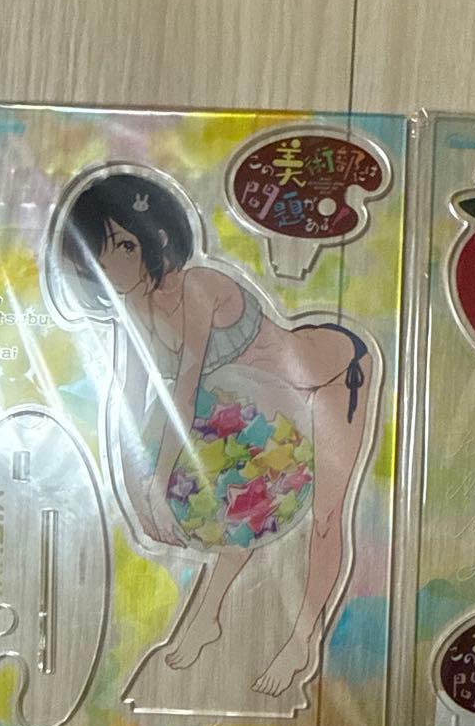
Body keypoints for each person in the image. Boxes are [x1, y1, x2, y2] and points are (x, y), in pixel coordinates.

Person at [51, 169, 374, 697]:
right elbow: (132, 403)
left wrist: (158, 488)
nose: (107, 268)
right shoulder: (130, 308)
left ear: (154, 240)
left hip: (329, 379)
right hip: (261, 415)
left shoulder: (197, 288)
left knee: (326, 517)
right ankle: (207, 618)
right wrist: (136, 496)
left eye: (122, 248)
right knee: (236, 497)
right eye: (96, 256)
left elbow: (184, 392)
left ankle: (302, 640)